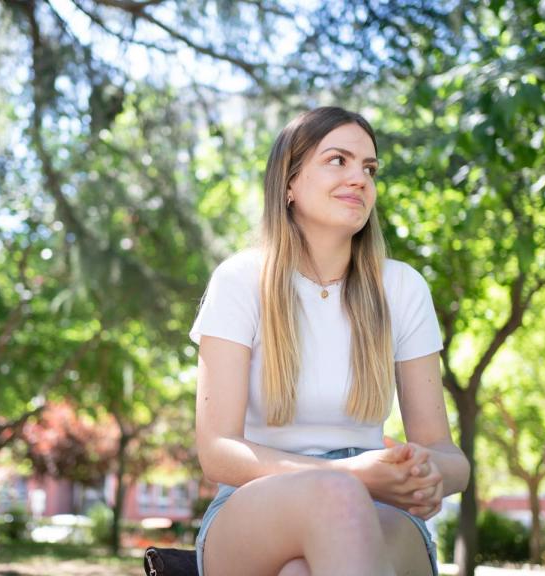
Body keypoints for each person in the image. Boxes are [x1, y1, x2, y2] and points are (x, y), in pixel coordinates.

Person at [190, 106, 470, 576]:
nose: (360, 178)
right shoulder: (239, 281)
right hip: (251, 502)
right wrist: (349, 475)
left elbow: (450, 457)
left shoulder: (402, 288)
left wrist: (422, 470)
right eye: (338, 160)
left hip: (382, 507)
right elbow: (217, 451)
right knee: (337, 496)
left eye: (369, 168)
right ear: (289, 184)